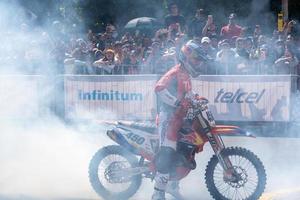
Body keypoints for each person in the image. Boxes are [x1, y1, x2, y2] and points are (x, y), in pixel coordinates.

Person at [152, 40, 209, 200]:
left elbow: (187, 95)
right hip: (169, 119)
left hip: (181, 119)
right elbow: (159, 88)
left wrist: (197, 99)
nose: (198, 63)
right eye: (196, 60)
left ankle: (172, 185)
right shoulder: (175, 72)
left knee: (186, 150)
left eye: (199, 61)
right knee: (167, 152)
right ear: (186, 58)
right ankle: (157, 193)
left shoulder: (186, 75)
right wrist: (177, 103)